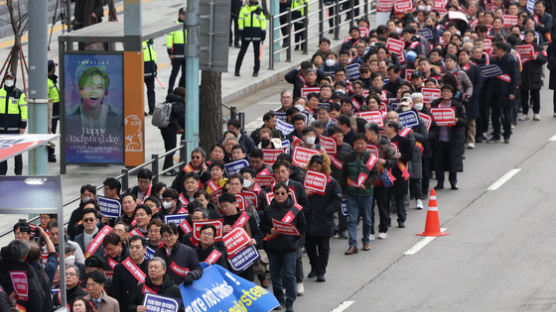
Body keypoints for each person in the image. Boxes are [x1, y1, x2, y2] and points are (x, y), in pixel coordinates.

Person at [260, 183, 306, 312]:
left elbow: (302, 227)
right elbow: (262, 226)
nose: (280, 195)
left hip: (289, 248)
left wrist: (295, 239)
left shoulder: (296, 209)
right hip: (273, 248)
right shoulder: (268, 209)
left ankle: (290, 302)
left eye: (282, 193)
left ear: (287, 194)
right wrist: (270, 229)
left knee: (289, 276)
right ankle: (279, 300)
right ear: (273, 194)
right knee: (275, 277)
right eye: (277, 193)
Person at [65, 67, 123, 159]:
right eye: (89, 86)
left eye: (99, 87)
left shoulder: (117, 117)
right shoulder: (70, 117)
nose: (94, 91)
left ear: (105, 92)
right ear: (80, 89)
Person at [304, 154, 341, 282]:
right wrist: (305, 194)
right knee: (309, 246)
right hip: (309, 219)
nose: (315, 167)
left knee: (324, 248)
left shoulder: (331, 182)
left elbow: (337, 200)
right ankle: (314, 267)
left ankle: (321, 271)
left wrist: (327, 211)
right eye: (313, 165)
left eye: (318, 165)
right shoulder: (305, 181)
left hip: (324, 220)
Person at [341, 133, 379, 254]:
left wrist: (366, 184)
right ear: (354, 144)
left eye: (362, 143)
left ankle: (366, 240)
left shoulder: (370, 158)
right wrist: (343, 191)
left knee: (367, 220)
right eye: (357, 143)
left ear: (366, 144)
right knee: (352, 220)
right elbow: (343, 175)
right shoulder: (348, 157)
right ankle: (352, 244)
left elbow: (375, 174)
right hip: (352, 193)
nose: (360, 145)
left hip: (366, 194)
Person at [431, 84, 467, 190]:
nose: (446, 93)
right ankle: (440, 182)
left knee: (453, 162)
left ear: (452, 93)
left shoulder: (458, 105)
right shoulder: (435, 104)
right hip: (439, 138)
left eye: (448, 91)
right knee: (439, 162)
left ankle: (453, 182)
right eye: (444, 91)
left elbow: (465, 120)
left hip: (453, 139)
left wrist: (457, 120)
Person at [485, 42, 519, 144]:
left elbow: (514, 77)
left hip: (506, 91)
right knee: (495, 114)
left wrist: (512, 92)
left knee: (506, 114)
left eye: (496, 49)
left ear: (502, 50)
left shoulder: (511, 60)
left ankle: (507, 134)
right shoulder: (494, 60)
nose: (495, 51)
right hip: (494, 91)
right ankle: (496, 135)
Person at [111, 236, 148, 312]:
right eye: (131, 247)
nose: (134, 250)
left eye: (137, 247)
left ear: (145, 250)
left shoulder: (152, 267)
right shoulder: (119, 268)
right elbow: (115, 295)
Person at [0, 73, 27, 175]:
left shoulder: (19, 94)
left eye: (10, 78)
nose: (8, 79)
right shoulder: (0, 92)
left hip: (15, 128)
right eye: (7, 78)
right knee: (2, 152)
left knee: (17, 152)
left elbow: (24, 110)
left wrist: (22, 126)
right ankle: (2, 174)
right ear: (4, 79)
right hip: (1, 128)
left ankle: (18, 174)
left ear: (14, 79)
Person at [519, 30, 547, 121]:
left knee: (535, 94)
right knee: (524, 95)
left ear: (534, 37)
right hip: (523, 74)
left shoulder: (538, 48)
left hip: (535, 74)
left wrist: (537, 58)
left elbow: (544, 59)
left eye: (530, 36)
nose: (528, 37)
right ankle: (525, 113)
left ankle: (536, 112)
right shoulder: (520, 47)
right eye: (526, 36)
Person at [234, 0, 266, 77]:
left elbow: (263, 22)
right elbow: (240, 20)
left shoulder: (260, 10)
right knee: (242, 52)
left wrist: (263, 32)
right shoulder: (244, 9)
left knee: (257, 54)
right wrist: (241, 31)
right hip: (246, 33)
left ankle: (256, 71)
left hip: (257, 33)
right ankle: (237, 70)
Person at [166, 8, 187, 93]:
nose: (184, 16)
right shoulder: (174, 26)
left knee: (185, 75)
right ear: (179, 14)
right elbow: (169, 40)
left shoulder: (189, 25)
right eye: (183, 14)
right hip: (176, 55)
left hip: (186, 55)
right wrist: (170, 52)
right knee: (174, 74)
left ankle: (181, 91)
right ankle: (170, 91)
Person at [48, 59, 60, 162]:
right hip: (51, 110)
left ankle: (50, 152)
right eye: (54, 67)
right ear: (51, 69)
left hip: (54, 109)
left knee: (52, 131)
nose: (55, 69)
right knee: (50, 132)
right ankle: (50, 153)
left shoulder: (51, 80)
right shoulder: (47, 82)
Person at [143, 39, 157, 115]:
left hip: (151, 69)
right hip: (141, 68)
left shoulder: (151, 42)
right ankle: (140, 109)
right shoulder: (141, 42)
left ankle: (152, 109)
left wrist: (155, 69)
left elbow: (154, 56)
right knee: (139, 91)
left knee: (151, 90)